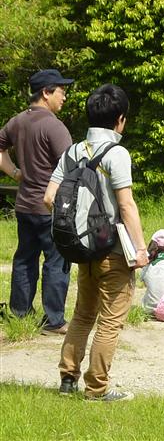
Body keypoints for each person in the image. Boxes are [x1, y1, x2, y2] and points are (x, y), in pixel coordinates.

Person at [43, 84, 148, 401]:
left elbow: (50, 198)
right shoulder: (117, 154)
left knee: (82, 315)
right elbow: (127, 206)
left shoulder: (72, 152)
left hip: (82, 251)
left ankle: (67, 381)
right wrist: (141, 249)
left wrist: (80, 227)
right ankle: (97, 389)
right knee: (110, 322)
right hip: (113, 252)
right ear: (120, 120)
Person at [0, 69, 74, 334]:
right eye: (61, 91)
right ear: (46, 92)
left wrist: (15, 173)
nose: (64, 96)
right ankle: (54, 321)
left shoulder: (17, 121)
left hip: (24, 206)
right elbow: (72, 166)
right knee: (56, 261)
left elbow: (0, 147)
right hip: (50, 206)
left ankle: (20, 313)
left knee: (24, 259)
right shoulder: (53, 125)